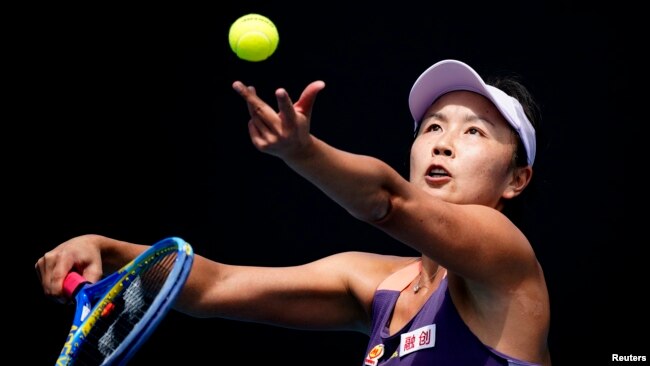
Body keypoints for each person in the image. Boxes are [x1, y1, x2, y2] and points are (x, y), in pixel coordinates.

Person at [35, 59, 551, 365]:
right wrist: (105, 247)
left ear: (515, 179)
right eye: (432, 128)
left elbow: (387, 201)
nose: (443, 144)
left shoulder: (508, 266)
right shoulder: (379, 285)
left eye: (474, 131)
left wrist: (302, 152)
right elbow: (210, 287)